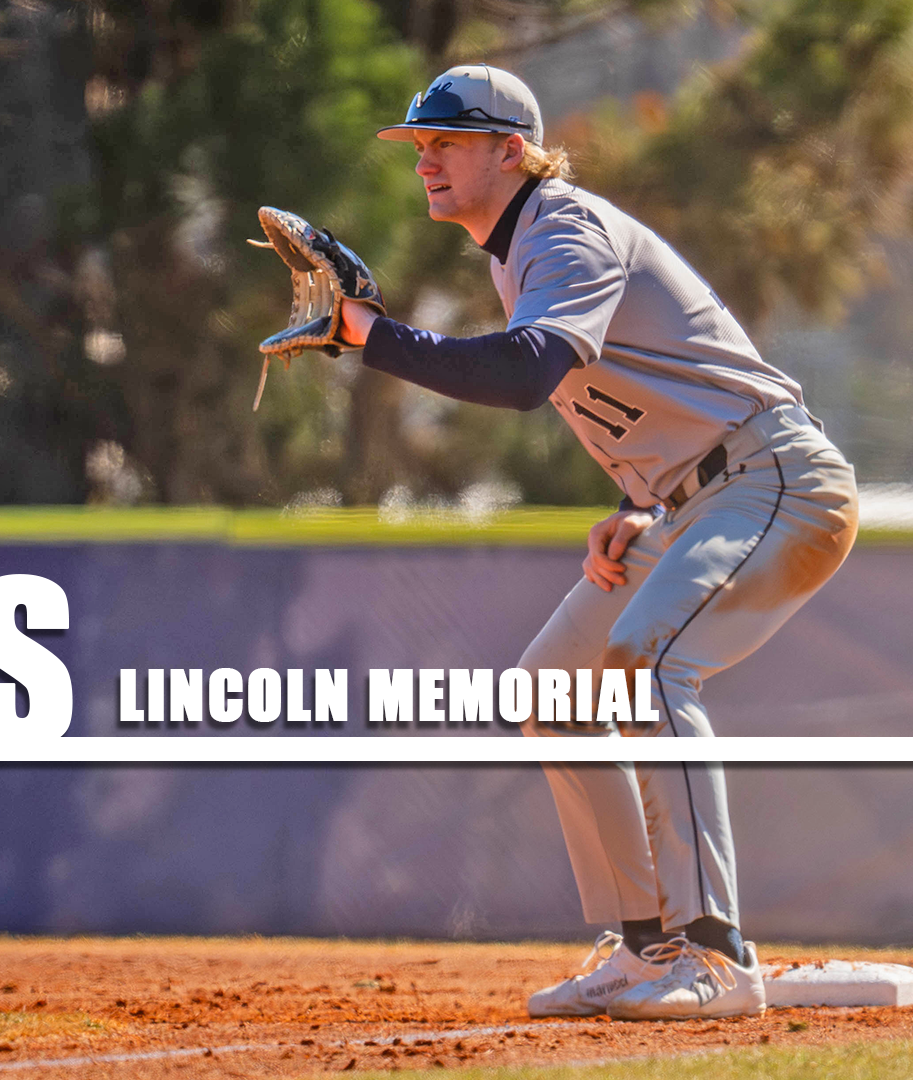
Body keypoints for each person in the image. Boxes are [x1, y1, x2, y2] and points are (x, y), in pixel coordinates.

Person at [338, 64, 859, 1020]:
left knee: (648, 662)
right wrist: (646, 500)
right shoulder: (515, 249)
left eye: (447, 142)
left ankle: (714, 953)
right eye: (420, 145)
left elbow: (528, 375)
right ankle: (642, 941)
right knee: (551, 689)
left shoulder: (565, 227)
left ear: (511, 150)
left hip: (777, 480)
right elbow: (639, 389)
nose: (426, 161)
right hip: (698, 498)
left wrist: (373, 337)